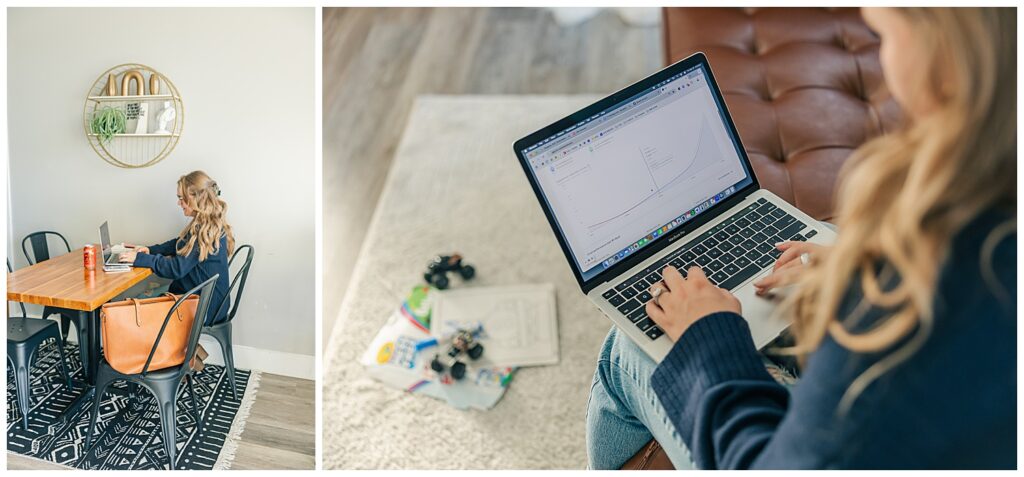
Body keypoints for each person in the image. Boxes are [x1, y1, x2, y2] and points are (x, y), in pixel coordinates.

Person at [586, 7, 1015, 469]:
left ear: (951, 59)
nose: (885, 65)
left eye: (885, 36)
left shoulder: (924, 294)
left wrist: (707, 337)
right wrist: (852, 269)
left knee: (631, 347)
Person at [119, 170, 235, 326]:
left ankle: (171, 347)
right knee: (145, 299)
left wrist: (139, 259)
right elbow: (179, 243)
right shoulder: (207, 224)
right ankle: (184, 347)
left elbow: (176, 268)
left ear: (197, 198)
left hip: (205, 308)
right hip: (211, 302)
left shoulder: (204, 231)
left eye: (181, 198)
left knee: (133, 308)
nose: (179, 203)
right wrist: (151, 250)